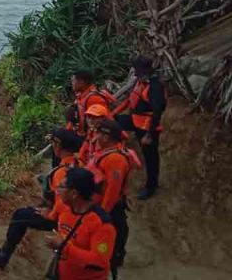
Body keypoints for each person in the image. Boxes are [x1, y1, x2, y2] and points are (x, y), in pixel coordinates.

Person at [0, 129, 83, 269]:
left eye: (53, 143)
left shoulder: (61, 173)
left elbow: (63, 204)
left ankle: (3, 256)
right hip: (77, 216)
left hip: (65, 220)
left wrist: (51, 215)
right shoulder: (78, 163)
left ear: (58, 145)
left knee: (20, 215)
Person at [87, 119, 137, 280]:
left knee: (112, 240)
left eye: (99, 133)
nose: (96, 137)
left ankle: (110, 268)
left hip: (109, 209)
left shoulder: (115, 159)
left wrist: (103, 214)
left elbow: (112, 191)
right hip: (98, 205)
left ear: (107, 137)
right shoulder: (104, 153)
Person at [46, 167, 116, 280]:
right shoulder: (64, 209)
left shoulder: (102, 225)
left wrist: (64, 247)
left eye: (61, 187)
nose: (57, 191)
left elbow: (99, 262)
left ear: (74, 193)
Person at [113, 56, 165, 200]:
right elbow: (129, 100)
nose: (135, 74)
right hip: (135, 120)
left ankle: (151, 186)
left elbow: (157, 112)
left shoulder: (155, 87)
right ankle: (119, 148)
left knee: (150, 157)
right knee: (113, 123)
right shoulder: (140, 82)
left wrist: (149, 134)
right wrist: (112, 115)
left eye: (137, 71)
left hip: (148, 126)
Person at [71, 70, 114, 137]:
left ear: (82, 82)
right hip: (81, 133)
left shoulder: (93, 98)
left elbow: (99, 123)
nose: (72, 83)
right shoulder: (81, 96)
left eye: (73, 80)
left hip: (90, 137)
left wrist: (88, 142)